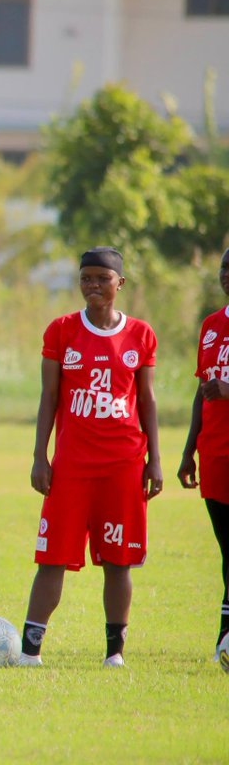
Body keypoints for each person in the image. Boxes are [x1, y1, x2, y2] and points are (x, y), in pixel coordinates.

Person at [20, 246, 163, 667]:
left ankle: (114, 654)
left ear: (120, 283)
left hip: (122, 463)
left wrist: (155, 460)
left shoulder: (140, 334)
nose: (93, 286)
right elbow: (48, 398)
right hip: (72, 466)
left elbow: (147, 401)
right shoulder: (62, 330)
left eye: (103, 278)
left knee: (119, 561)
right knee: (53, 557)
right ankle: (30, 652)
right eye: (86, 278)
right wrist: (39, 456)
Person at [177, 247, 229, 666]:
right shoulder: (212, 326)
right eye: (225, 268)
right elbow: (202, 389)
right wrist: (188, 450)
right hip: (215, 454)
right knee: (227, 551)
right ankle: (225, 641)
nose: (228, 275)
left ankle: (225, 639)